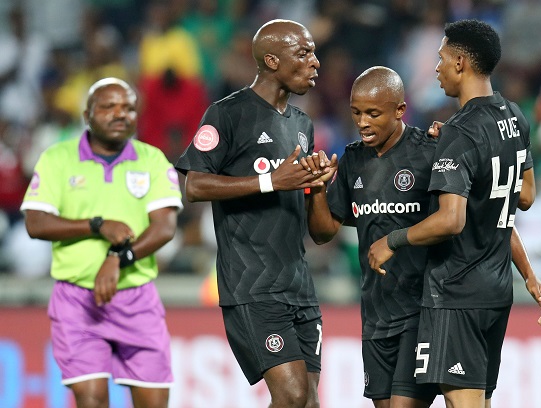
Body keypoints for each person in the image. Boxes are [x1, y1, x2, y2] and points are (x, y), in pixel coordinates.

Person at [306, 66, 541, 408]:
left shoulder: (432, 152)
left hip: (423, 310)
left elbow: (485, 217)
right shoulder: (352, 161)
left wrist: (527, 274)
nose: (363, 122)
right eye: (356, 113)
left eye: (373, 114)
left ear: (400, 110)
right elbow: (323, 232)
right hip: (376, 314)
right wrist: (316, 190)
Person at [367, 20, 541, 408]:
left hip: (457, 291)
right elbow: (524, 198)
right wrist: (530, 277)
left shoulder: (461, 132)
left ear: (461, 63)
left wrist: (392, 240)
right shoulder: (514, 117)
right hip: (497, 291)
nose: (436, 68)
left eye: (441, 59)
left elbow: (452, 220)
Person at [174, 19, 330, 408]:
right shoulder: (227, 114)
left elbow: (318, 228)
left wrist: (318, 187)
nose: (315, 63)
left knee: (308, 401)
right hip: (252, 283)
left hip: (298, 283)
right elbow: (194, 185)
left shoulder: (302, 125)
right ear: (272, 60)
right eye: (304, 53)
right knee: (291, 395)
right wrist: (270, 182)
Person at [21, 77, 183, 408]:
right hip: (77, 300)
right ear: (87, 114)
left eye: (128, 108)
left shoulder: (152, 160)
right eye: (108, 107)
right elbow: (36, 223)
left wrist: (118, 259)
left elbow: (165, 228)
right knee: (92, 399)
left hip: (137, 299)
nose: (120, 114)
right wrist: (97, 225)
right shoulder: (57, 158)